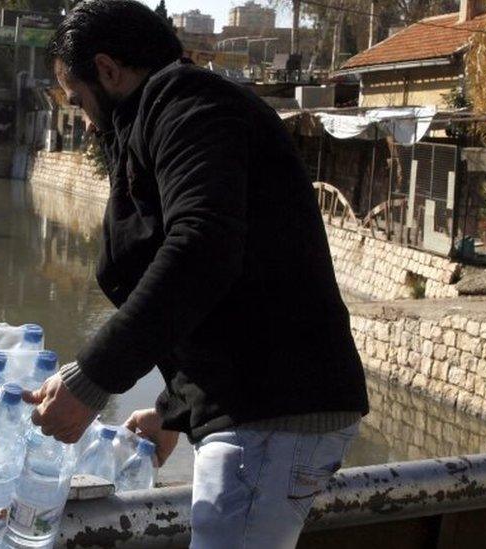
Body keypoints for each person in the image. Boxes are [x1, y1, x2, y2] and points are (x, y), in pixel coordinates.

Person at [23, 1, 370, 547]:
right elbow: (231, 299)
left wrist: (89, 383)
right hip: (258, 414)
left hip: (272, 417)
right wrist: (175, 412)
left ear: (109, 70)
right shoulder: (172, 113)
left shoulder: (189, 107)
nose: (87, 122)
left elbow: (202, 250)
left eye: (81, 99)